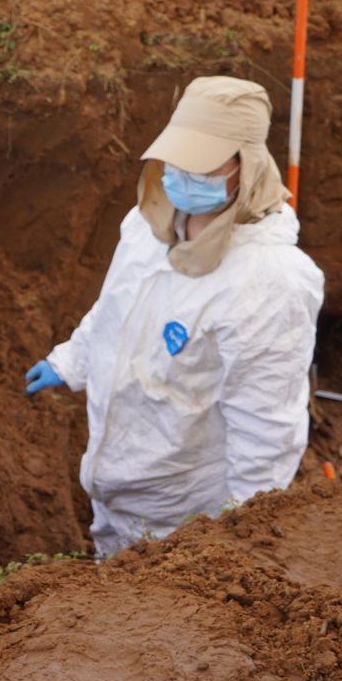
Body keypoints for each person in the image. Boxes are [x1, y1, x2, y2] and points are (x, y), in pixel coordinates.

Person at [25, 76, 324, 557]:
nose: (181, 174)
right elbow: (116, 308)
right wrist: (71, 361)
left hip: (185, 513)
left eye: (200, 166)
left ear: (244, 166)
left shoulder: (270, 282)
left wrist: (240, 536)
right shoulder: (147, 226)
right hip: (117, 479)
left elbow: (266, 426)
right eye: (176, 160)